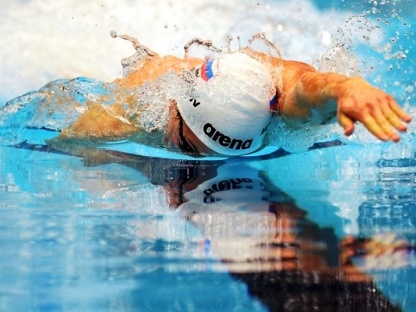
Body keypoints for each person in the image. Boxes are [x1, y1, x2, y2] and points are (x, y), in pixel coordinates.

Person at [50, 33, 412, 156]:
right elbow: (66, 151)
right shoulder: (123, 114)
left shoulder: (277, 95)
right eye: (188, 148)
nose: (201, 165)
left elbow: (309, 89)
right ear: (174, 108)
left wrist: (349, 88)